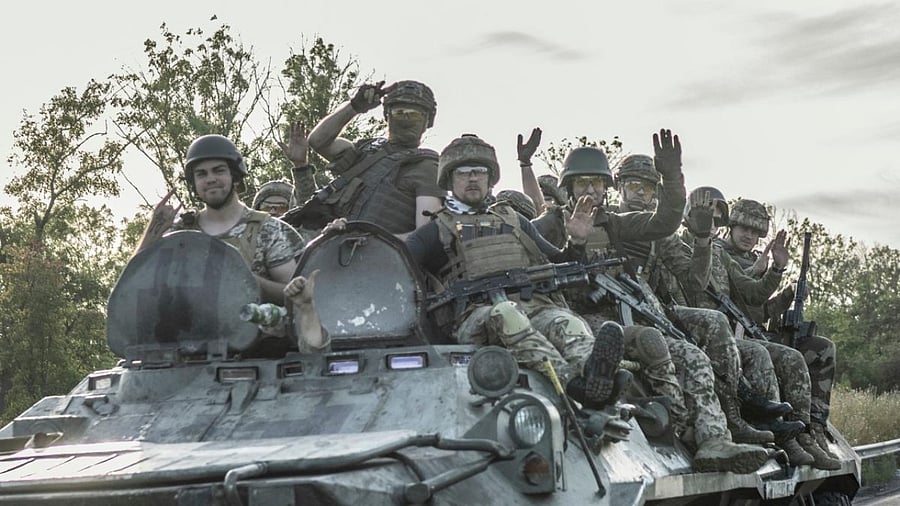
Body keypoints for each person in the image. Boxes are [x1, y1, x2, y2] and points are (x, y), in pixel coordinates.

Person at [533, 134, 770, 473]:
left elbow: (665, 222)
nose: (591, 190)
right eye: (583, 182)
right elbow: (531, 270)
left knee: (695, 356)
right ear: (568, 187)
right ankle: (677, 426)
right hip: (580, 321)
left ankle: (713, 440)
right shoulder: (549, 224)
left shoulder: (614, 223)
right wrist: (574, 244)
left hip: (625, 316)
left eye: (598, 184)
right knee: (648, 341)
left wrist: (673, 179)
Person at [402, 134, 625, 409]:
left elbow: (558, 264)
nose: (473, 178)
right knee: (506, 313)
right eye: (464, 173)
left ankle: (596, 376)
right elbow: (397, 268)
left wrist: (577, 242)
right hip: (476, 318)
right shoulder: (434, 232)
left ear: (490, 178)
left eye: (480, 172)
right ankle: (573, 385)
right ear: (450, 180)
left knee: (568, 322)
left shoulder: (514, 220)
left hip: (533, 307)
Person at [678, 188, 840, 470]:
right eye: (743, 228)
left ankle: (801, 433)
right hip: (697, 329)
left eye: (717, 221)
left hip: (732, 331)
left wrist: (779, 277)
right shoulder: (680, 246)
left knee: (798, 354)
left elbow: (753, 298)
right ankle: (763, 428)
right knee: (758, 353)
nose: (748, 236)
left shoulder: (719, 254)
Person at [136, 134, 305, 304]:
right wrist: (152, 232)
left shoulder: (267, 230)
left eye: (219, 170)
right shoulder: (180, 232)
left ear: (235, 176)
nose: (210, 179)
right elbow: (132, 285)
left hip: (256, 328)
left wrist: (247, 281)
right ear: (193, 183)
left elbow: (296, 296)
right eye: (201, 174)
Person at [295, 80, 444, 236]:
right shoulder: (365, 151)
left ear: (428, 121)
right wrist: (354, 107)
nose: (406, 119)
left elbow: (424, 236)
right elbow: (318, 141)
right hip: (327, 247)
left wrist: (369, 242)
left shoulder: (427, 168)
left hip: (380, 257)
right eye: (399, 113)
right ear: (387, 115)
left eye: (415, 114)